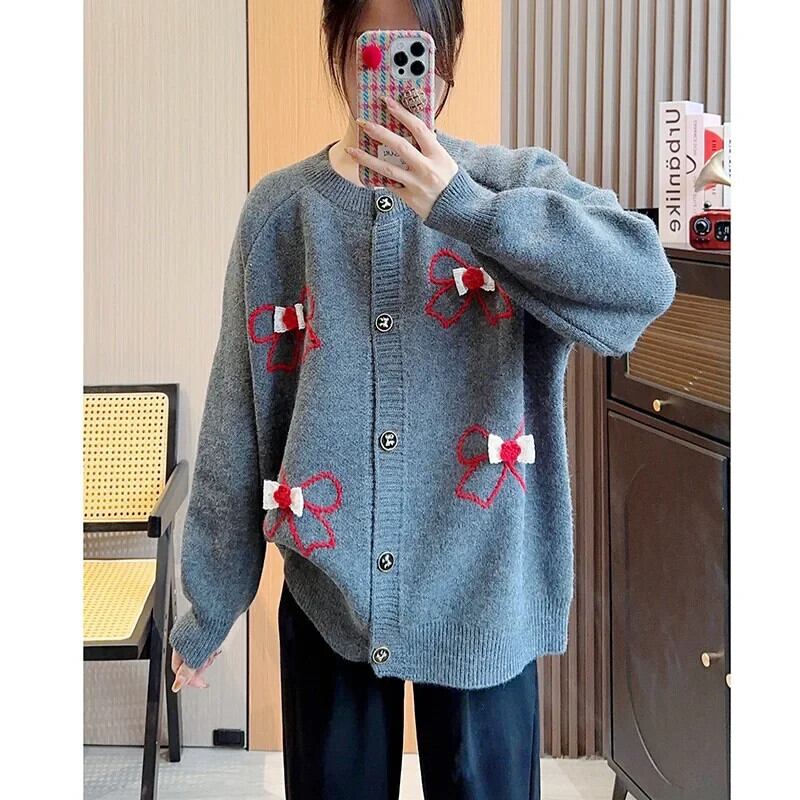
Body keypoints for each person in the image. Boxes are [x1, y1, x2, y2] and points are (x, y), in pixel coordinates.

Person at [168, 1, 676, 798]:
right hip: (330, 594)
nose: (404, 78)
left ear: (447, 55)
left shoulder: (509, 185)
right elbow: (240, 414)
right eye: (377, 49)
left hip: (484, 591)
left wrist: (465, 208)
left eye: (420, 50)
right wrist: (210, 603)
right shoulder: (283, 213)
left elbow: (645, 281)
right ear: (339, 50)